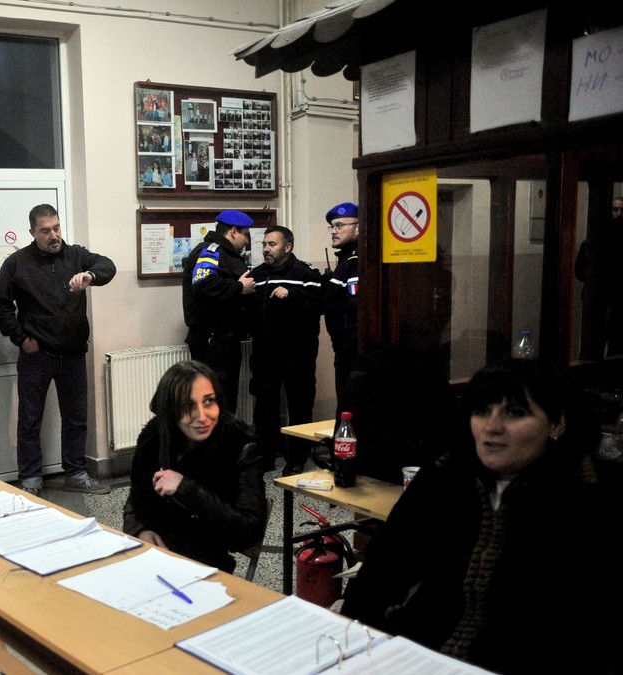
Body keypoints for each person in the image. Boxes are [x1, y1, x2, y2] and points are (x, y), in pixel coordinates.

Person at [342, 359, 617, 673]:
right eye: (482, 411)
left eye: (515, 412)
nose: (492, 427)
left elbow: (591, 629)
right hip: (419, 650)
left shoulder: (588, 499)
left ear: (557, 424)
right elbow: (383, 568)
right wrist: (351, 641)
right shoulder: (446, 476)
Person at [0, 204, 116, 496]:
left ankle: (76, 474)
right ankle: (31, 479)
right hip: (37, 356)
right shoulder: (17, 263)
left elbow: (107, 266)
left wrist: (90, 276)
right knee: (30, 420)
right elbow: (0, 306)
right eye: (45, 231)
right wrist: (21, 338)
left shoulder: (76, 255)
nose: (53, 235)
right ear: (32, 232)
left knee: (76, 418)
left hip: (73, 354)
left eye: (56, 228)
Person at [122, 361, 266, 573]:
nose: (202, 416)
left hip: (206, 567)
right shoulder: (156, 436)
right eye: (187, 406)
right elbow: (138, 497)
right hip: (157, 558)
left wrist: (186, 488)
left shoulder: (239, 445)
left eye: (209, 401)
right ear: (170, 410)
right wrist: (140, 530)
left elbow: (249, 530)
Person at [247, 225, 322, 474]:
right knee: (265, 406)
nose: (266, 249)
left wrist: (293, 294)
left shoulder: (305, 273)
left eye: (272, 244)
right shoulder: (257, 274)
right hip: (265, 353)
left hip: (297, 353)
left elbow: (320, 304)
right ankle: (266, 456)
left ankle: (297, 458)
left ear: (287, 247)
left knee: (299, 405)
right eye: (264, 244)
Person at [181, 210, 256, 414]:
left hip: (224, 340)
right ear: (233, 231)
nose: (247, 241)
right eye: (245, 235)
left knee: (226, 399)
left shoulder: (226, 254)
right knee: (215, 400)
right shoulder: (211, 251)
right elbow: (203, 285)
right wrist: (239, 287)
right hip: (213, 342)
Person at [575, 196, 623, 358]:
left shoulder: (594, 242)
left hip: (614, 299)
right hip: (600, 298)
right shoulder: (592, 243)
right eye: (615, 210)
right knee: (595, 342)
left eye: (621, 210)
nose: (619, 214)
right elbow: (579, 271)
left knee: (614, 343)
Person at [322, 201, 359, 405]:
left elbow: (356, 308)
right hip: (343, 350)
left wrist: (348, 347)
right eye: (332, 226)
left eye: (340, 225)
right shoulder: (345, 260)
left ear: (358, 228)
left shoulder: (356, 260)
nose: (334, 231)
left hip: (352, 352)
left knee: (349, 407)